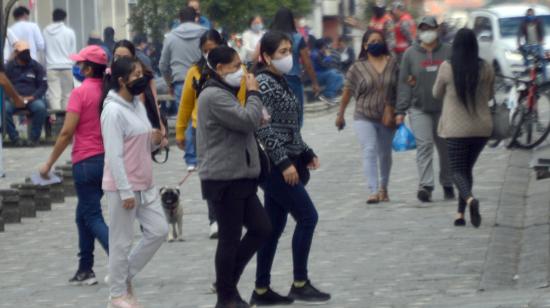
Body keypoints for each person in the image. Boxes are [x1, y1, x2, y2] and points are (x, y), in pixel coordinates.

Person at [251, 31, 330, 306]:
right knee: (308, 217)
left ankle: (261, 289)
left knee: (273, 227)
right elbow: (265, 128)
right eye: (282, 52)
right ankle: (300, 282)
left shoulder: (281, 81)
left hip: (290, 159)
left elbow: (289, 127)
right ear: (266, 57)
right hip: (275, 166)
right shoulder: (262, 83)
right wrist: (284, 163)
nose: (288, 56)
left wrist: (305, 151)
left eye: (289, 50)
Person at [197, 45, 271, 308]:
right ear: (219, 69)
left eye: (241, 65)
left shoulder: (224, 92)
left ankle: (226, 284)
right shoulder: (214, 95)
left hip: (240, 175)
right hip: (223, 177)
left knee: (262, 228)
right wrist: (253, 93)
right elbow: (247, 120)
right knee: (229, 238)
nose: (241, 72)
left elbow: (245, 120)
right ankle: (225, 296)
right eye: (235, 66)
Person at [101, 57, 168, 308]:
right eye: (135, 74)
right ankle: (117, 294)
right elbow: (114, 154)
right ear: (121, 80)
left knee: (159, 230)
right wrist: (125, 189)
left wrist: (155, 139)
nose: (141, 78)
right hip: (122, 187)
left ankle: (122, 276)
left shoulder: (138, 105)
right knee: (121, 241)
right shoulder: (112, 111)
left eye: (141, 72)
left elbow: (141, 140)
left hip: (146, 182)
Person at [39, 45, 109, 285]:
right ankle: (85, 268)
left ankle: (122, 260)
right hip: (106, 161)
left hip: (86, 161)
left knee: (92, 216)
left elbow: (67, 131)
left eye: (80, 64)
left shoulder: (80, 94)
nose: (78, 67)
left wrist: (48, 163)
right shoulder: (109, 92)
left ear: (89, 68)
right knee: (83, 216)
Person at [175, 29, 247, 238]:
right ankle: (214, 219)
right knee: (210, 175)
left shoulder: (237, 70)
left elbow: (243, 98)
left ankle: (237, 214)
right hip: (202, 129)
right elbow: (186, 104)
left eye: (213, 49)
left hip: (233, 126)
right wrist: (180, 131)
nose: (209, 54)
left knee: (236, 174)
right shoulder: (195, 72)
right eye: (205, 51)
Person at [433, 28, 494, 228]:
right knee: (466, 170)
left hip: (457, 130)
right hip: (481, 129)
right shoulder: (485, 68)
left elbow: (436, 93)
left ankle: (469, 200)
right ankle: (460, 214)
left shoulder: (446, 68)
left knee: (456, 171)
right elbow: (491, 96)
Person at [395, 16, 455, 203]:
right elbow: (405, 82)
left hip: (444, 108)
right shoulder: (410, 54)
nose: (427, 31)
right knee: (424, 146)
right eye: (423, 28)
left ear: (437, 29)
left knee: (445, 148)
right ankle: (426, 185)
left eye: (430, 27)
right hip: (418, 107)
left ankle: (447, 182)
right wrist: (400, 110)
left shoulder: (448, 51)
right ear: (419, 31)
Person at [335, 29, 398, 204]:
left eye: (379, 40)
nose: (376, 43)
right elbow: (347, 92)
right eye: (372, 41)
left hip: (387, 116)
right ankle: (373, 190)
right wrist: (340, 115)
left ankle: (383, 187)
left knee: (385, 153)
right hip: (364, 115)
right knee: (369, 149)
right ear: (365, 45)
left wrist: (397, 111)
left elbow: (399, 89)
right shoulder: (357, 67)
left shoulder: (393, 64)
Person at [112, 40, 169, 152]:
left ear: (133, 58)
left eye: (125, 57)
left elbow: (153, 100)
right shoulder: (108, 76)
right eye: (117, 57)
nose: (121, 61)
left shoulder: (143, 77)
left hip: (138, 130)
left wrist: (160, 125)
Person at [271, 7, 321, 127]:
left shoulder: (269, 38)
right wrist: (314, 82)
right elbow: (307, 63)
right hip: (293, 82)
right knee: (296, 118)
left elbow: (258, 58)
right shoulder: (297, 38)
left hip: (273, 81)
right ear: (291, 20)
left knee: (276, 117)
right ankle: (294, 142)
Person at [159, 6, 207, 115]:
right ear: (196, 18)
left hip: (181, 83)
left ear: (179, 19)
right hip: (204, 82)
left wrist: (170, 83)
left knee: (186, 121)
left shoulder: (170, 37)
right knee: (204, 119)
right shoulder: (206, 34)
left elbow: (163, 65)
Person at [4, 41, 47, 147]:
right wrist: (12, 97)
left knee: (41, 107)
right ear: (16, 53)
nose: (26, 54)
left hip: (31, 99)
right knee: (4, 108)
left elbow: (43, 86)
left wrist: (32, 97)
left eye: (27, 51)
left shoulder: (36, 66)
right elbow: (3, 85)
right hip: (13, 99)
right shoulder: (9, 67)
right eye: (23, 52)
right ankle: (14, 138)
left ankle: (33, 139)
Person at [43, 8, 76, 112]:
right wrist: (72, 64)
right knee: (67, 95)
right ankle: (65, 119)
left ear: (52, 17)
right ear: (65, 18)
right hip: (67, 66)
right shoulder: (69, 32)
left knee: (54, 95)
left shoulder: (45, 31)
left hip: (51, 67)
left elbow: (43, 49)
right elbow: (73, 52)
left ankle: (54, 120)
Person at [310, 38, 344, 104]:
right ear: (322, 46)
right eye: (325, 46)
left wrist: (327, 57)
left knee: (340, 75)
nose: (326, 48)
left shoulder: (320, 53)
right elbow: (324, 65)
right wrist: (328, 56)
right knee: (333, 73)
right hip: (316, 76)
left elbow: (329, 65)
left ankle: (331, 93)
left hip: (323, 74)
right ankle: (328, 95)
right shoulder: (315, 54)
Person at [517, 8, 547, 80]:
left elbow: (542, 32)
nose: (530, 16)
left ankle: (544, 77)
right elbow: (519, 33)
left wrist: (541, 40)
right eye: (528, 14)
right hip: (528, 44)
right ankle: (527, 68)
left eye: (531, 14)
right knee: (523, 53)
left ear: (534, 14)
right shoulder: (524, 23)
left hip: (538, 44)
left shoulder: (538, 22)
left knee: (542, 59)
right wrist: (518, 42)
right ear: (526, 15)